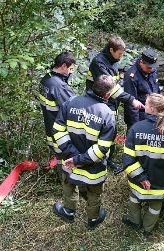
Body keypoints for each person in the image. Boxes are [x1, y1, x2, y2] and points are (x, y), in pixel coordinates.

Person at [52, 75, 116, 230]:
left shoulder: (70, 102)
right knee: (94, 192)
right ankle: (93, 219)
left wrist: (73, 156)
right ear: (107, 95)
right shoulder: (107, 113)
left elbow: (58, 131)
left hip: (69, 160)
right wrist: (80, 159)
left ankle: (68, 211)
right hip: (93, 165)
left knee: (68, 183)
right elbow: (102, 148)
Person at [121, 93, 164, 235]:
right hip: (160, 184)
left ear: (151, 108)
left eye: (146, 102)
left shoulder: (136, 128)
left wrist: (141, 178)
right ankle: (147, 229)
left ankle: (134, 221)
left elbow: (128, 160)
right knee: (155, 206)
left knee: (134, 198)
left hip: (137, 183)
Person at [86, 35, 144, 173]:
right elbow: (110, 88)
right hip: (98, 102)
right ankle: (100, 160)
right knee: (102, 132)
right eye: (119, 54)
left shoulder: (113, 60)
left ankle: (108, 159)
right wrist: (131, 100)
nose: (121, 57)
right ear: (111, 50)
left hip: (110, 102)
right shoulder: (99, 63)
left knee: (111, 131)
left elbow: (115, 83)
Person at [39, 51, 76, 164]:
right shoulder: (59, 86)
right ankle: (66, 180)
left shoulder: (46, 79)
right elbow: (74, 108)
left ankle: (59, 175)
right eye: (71, 69)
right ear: (63, 66)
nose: (71, 72)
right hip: (61, 130)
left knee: (58, 155)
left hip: (50, 127)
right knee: (66, 159)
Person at [123, 49, 160, 130]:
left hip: (153, 114)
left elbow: (156, 89)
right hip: (139, 116)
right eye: (149, 67)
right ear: (141, 62)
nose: (151, 69)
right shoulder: (131, 76)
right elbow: (131, 104)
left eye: (153, 67)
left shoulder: (152, 70)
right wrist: (136, 126)